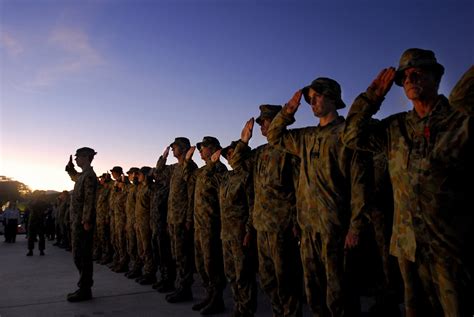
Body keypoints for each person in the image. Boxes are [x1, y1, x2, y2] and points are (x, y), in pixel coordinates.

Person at [343, 48, 474, 316]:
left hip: (449, 248)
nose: (411, 79)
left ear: (436, 78)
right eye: (405, 77)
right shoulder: (395, 128)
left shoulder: (459, 121)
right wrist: (372, 97)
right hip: (408, 248)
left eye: (419, 73)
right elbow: (351, 136)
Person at [267, 78, 370, 316]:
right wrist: (288, 111)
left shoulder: (347, 135)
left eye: (317, 96)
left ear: (332, 96)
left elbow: (360, 185)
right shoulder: (306, 136)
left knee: (340, 295)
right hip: (309, 228)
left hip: (336, 228)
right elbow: (274, 136)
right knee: (314, 293)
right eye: (309, 99)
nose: (312, 102)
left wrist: (355, 227)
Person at [232, 105, 302, 317]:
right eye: (260, 121)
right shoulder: (260, 153)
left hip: (283, 227)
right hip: (262, 227)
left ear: (277, 121)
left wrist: (297, 223)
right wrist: (244, 140)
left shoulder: (290, 150)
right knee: (268, 280)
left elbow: (300, 188)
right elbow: (236, 162)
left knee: (286, 281)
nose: (261, 124)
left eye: (265, 120)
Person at [211, 141, 258, 317]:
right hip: (227, 233)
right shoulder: (227, 177)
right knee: (231, 273)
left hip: (240, 233)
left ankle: (246, 310)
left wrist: (249, 231)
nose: (229, 157)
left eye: (231, 153)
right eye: (227, 154)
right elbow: (209, 177)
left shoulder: (247, 176)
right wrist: (213, 163)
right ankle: (239, 306)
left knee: (243, 273)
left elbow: (252, 204)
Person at [155, 137, 198, 303]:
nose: (172, 150)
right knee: (176, 255)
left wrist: (188, 219)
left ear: (184, 148)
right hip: (173, 219)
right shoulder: (174, 168)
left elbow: (190, 194)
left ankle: (185, 289)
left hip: (182, 220)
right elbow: (158, 172)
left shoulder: (190, 167)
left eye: (174, 147)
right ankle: (179, 286)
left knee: (183, 256)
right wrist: (163, 157)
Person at [188, 136, 228, 314]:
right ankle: (209, 295)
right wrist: (187, 161)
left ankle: (217, 299)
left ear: (212, 149)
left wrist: (213, 164)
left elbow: (223, 193)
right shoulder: (202, 171)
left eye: (202, 147)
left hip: (212, 225)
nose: (200, 150)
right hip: (199, 224)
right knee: (201, 263)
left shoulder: (220, 169)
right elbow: (186, 178)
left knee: (212, 264)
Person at [65, 147, 98, 302]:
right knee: (78, 255)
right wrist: (70, 168)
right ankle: (84, 287)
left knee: (83, 256)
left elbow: (89, 200)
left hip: (83, 223)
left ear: (86, 157)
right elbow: (74, 177)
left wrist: (86, 220)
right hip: (77, 221)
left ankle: (85, 289)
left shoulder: (89, 176)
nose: (76, 159)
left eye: (78, 157)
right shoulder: (83, 175)